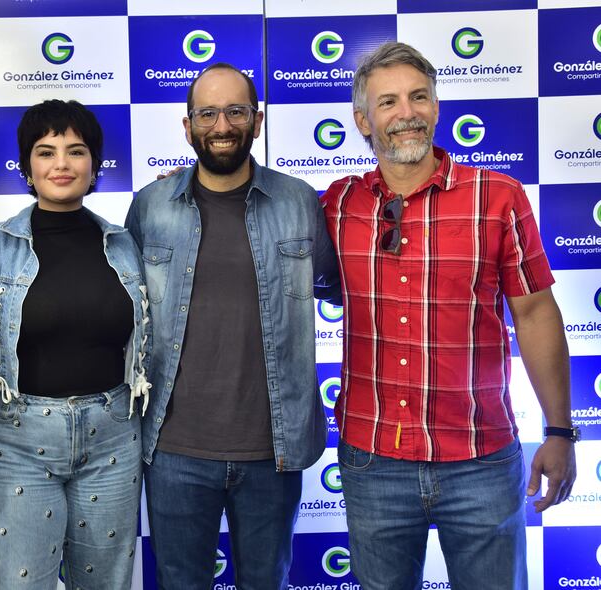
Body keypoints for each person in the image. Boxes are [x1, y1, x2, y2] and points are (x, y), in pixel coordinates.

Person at [322, 41, 577, 590]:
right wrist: (185, 187)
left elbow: (535, 314)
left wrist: (559, 430)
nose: (406, 112)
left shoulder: (499, 196)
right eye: (387, 103)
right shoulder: (335, 205)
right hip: (374, 459)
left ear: (437, 108)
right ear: (364, 121)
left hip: (482, 458)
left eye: (419, 97)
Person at [126, 62, 341, 589]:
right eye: (207, 113)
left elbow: (336, 285)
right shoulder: (151, 205)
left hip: (275, 450)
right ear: (188, 126)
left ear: (257, 120)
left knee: (267, 581)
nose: (222, 125)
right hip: (174, 449)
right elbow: (126, 311)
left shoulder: (299, 202)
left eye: (235, 111)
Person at [0, 99, 151, 590]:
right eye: (46, 151)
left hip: (114, 437)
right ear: (27, 166)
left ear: (94, 164)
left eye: (75, 151)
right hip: (18, 439)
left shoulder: (126, 243)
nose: (61, 163)